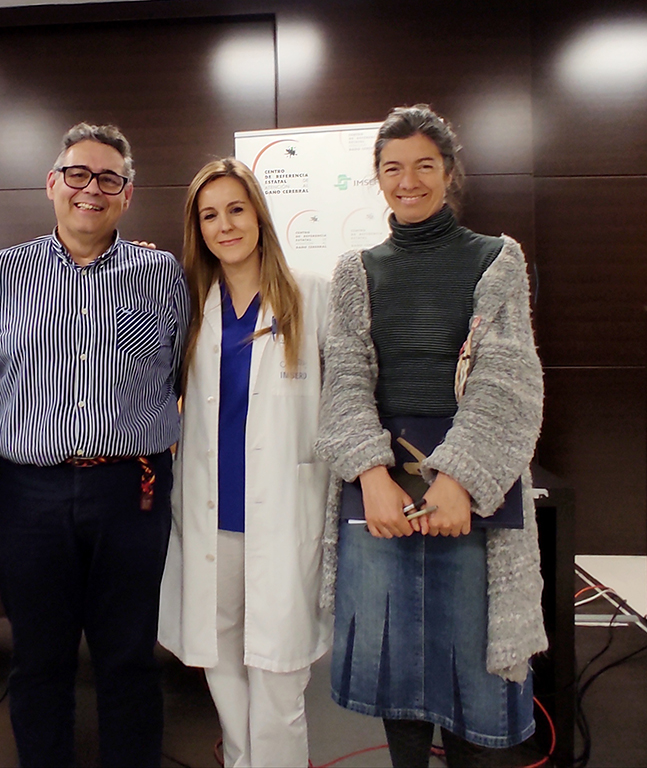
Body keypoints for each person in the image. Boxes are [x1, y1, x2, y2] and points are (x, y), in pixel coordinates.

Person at [315, 105, 547, 768]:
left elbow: (507, 380)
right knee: (397, 677)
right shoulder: (357, 271)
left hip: (470, 491)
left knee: (475, 673)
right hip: (380, 492)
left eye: (423, 165)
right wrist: (369, 474)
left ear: (448, 173)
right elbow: (345, 380)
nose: (407, 180)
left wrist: (458, 480)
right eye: (392, 168)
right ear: (377, 177)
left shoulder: (496, 259)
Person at [0, 122, 189, 767]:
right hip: (26, 492)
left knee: (129, 657)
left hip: (132, 487)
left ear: (127, 193)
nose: (91, 188)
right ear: (52, 184)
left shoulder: (163, 273)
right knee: (38, 658)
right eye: (77, 174)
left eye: (108, 178)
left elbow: (180, 373)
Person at [158, 158, 333, 767]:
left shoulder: (312, 295)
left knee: (279, 676)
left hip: (283, 516)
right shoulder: (191, 306)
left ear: (259, 214)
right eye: (209, 216)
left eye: (236, 209)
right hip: (211, 516)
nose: (225, 225)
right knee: (222, 660)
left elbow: (348, 398)